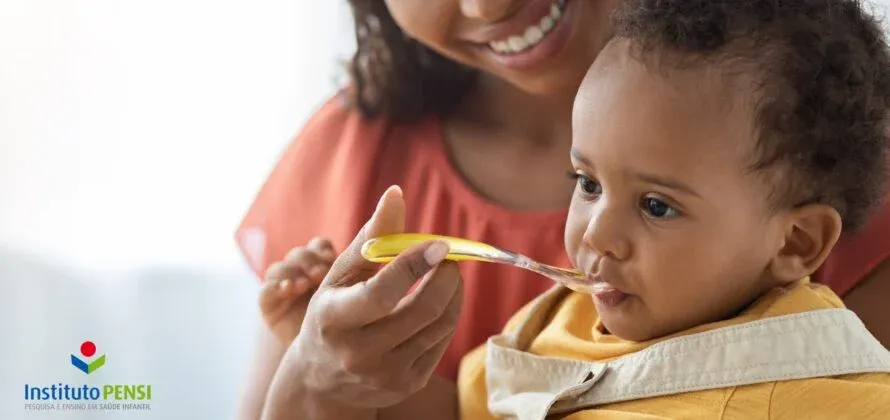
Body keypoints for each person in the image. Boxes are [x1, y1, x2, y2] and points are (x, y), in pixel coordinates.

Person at [234, 0, 890, 417]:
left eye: (658, 206)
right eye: (587, 183)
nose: (594, 233)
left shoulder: (828, 388)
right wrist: (336, 361)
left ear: (799, 244)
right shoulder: (564, 322)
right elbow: (463, 411)